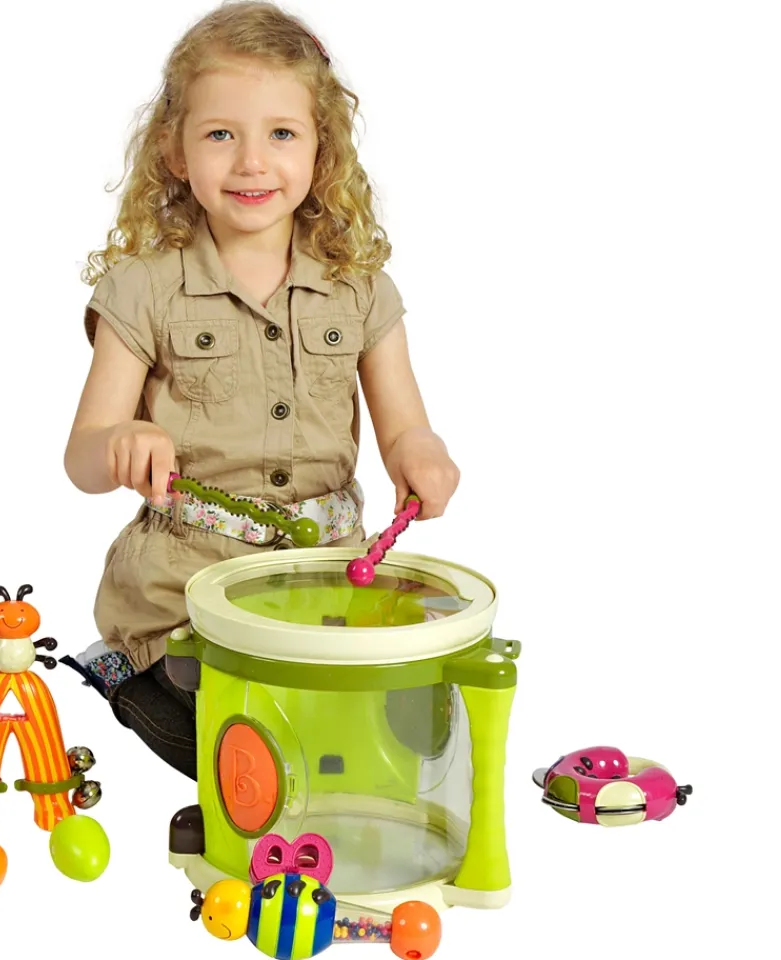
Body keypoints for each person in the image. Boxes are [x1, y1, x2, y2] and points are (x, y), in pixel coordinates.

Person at [61, 1, 460, 781]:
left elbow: (404, 428)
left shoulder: (360, 289)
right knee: (249, 742)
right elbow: (81, 457)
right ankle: (144, 688)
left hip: (325, 583)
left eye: (281, 133)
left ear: (321, 149)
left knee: (401, 726)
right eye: (220, 134)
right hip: (185, 591)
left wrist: (423, 453)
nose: (251, 162)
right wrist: (118, 442)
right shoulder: (144, 289)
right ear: (174, 151)